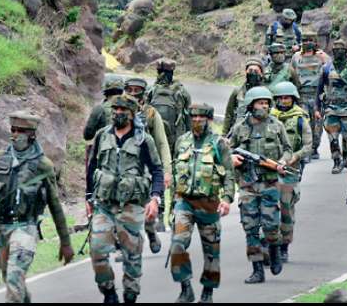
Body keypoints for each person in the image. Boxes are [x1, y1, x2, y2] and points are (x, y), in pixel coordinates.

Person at [0, 110, 73, 303]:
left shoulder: (43, 165)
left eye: (19, 130)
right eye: (12, 129)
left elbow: (55, 206)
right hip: (1, 229)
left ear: (31, 134)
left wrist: (65, 242)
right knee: (12, 281)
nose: (14, 134)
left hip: (25, 228)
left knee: (14, 278)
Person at [85, 95, 163, 303]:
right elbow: (92, 166)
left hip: (131, 206)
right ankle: (109, 292)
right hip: (104, 205)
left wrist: (155, 198)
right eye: (115, 109)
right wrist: (88, 196)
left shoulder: (144, 140)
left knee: (132, 257)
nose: (118, 113)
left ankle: (130, 295)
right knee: (97, 249)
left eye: (123, 110)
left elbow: (156, 170)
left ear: (131, 114)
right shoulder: (102, 136)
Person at [225, 86, 291, 284]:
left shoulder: (277, 126)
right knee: (250, 228)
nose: (264, 106)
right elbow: (225, 150)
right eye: (260, 102)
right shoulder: (239, 128)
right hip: (247, 185)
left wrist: (283, 162)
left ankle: (274, 249)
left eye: (266, 103)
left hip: (269, 183)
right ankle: (257, 270)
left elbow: (287, 149)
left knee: (271, 227)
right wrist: (233, 158)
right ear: (251, 105)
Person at [168, 103, 234, 303]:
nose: (197, 121)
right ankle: (185, 287)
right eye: (194, 117)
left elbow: (229, 173)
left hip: (209, 204)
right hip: (184, 203)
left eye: (201, 118)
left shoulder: (219, 143)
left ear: (209, 120)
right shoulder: (182, 141)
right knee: (177, 244)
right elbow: (175, 172)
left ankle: (208, 292)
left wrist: (227, 199)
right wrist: (172, 205)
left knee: (211, 252)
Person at [124, 77, 172, 251]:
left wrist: (166, 171)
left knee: (145, 207)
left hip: (145, 169)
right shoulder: (118, 112)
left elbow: (162, 143)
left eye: (137, 90)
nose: (133, 93)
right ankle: (127, 246)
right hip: (123, 169)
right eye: (130, 89)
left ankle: (151, 232)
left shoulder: (151, 113)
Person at [270, 82, 312, 263]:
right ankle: (270, 244)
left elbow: (308, 145)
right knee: (268, 208)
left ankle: (284, 245)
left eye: (286, 98)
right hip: (269, 169)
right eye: (280, 98)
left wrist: (294, 157)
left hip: (290, 170)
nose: (283, 101)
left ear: (293, 99)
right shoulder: (270, 117)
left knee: (286, 208)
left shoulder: (300, 118)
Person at [320, 39, 347, 173]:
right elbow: (320, 89)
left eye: (341, 50)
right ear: (332, 52)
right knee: (333, 138)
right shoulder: (326, 68)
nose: (338, 52)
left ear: (346, 51)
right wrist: (317, 108)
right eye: (336, 50)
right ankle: (336, 162)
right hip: (331, 108)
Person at [291, 35, 331, 160]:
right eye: (305, 40)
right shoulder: (296, 57)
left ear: (315, 42)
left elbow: (332, 70)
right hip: (302, 94)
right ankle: (306, 150)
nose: (308, 42)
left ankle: (314, 148)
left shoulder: (321, 56)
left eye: (310, 40)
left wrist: (326, 59)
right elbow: (291, 73)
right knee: (304, 123)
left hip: (317, 96)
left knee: (317, 125)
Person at [223, 58, 267, 135]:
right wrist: (224, 134)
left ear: (261, 73)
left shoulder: (266, 93)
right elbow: (229, 115)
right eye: (250, 70)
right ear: (246, 72)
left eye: (256, 71)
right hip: (237, 133)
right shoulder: (237, 92)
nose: (252, 73)